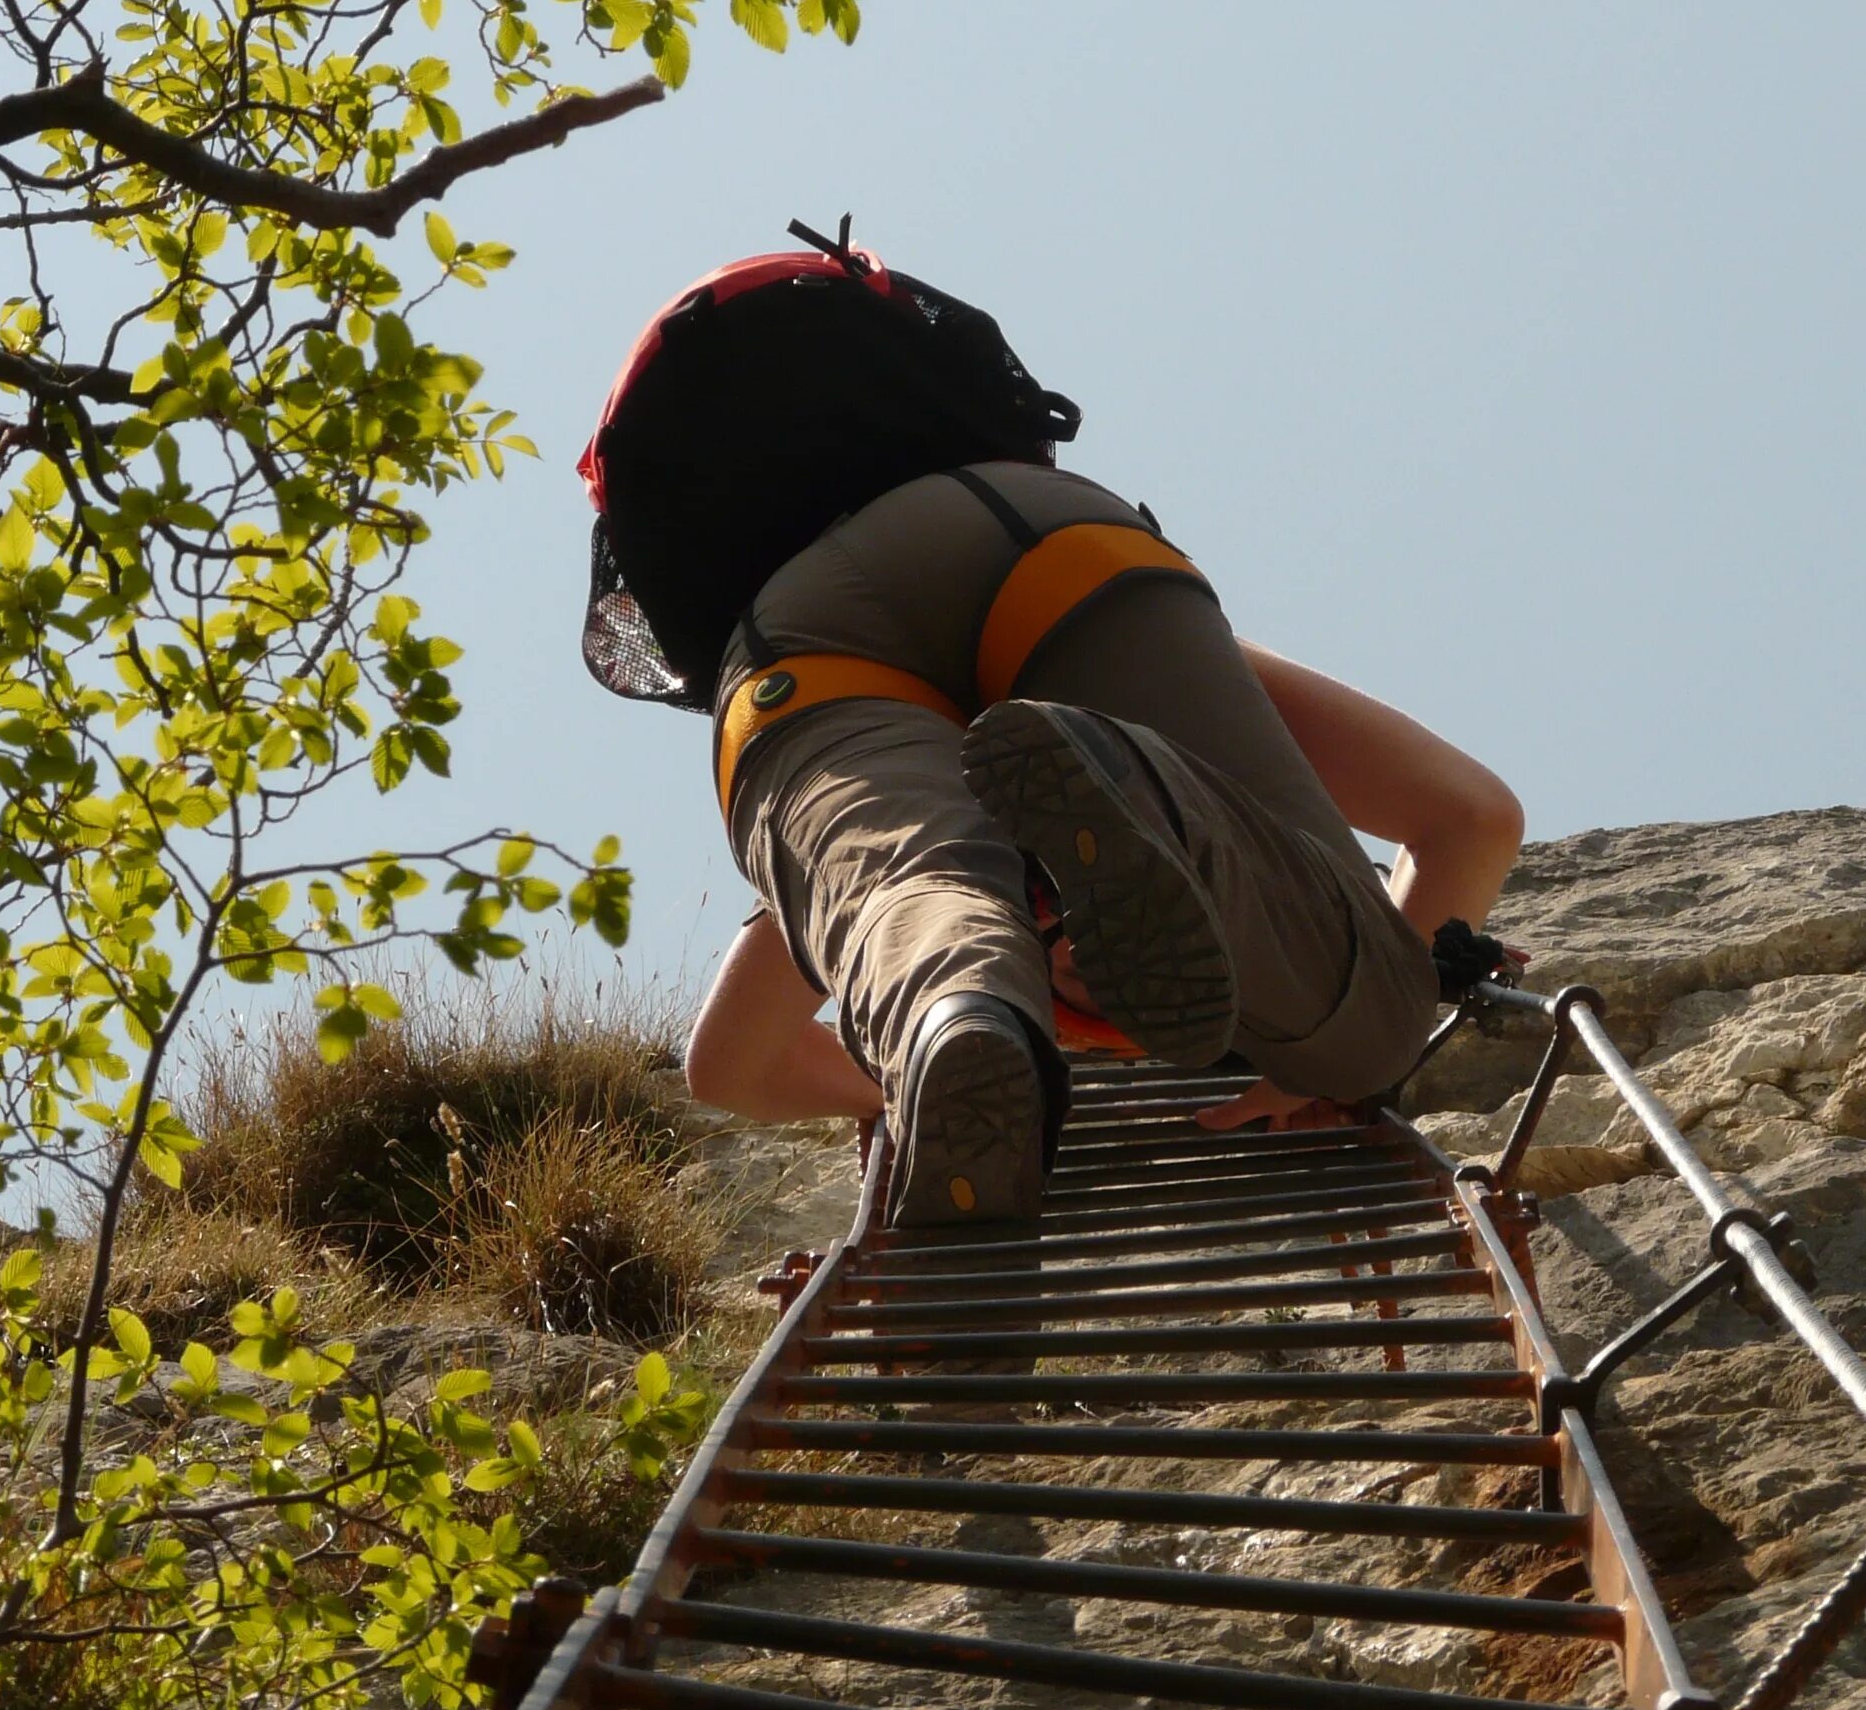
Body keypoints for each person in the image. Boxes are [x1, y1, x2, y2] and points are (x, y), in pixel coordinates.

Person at [581, 230, 1523, 1229]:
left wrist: (911, 1083)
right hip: (1024, 526)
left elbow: (731, 1065)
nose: (1081, 958)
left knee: (916, 898)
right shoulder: (1172, 703)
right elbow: (1469, 814)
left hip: (798, 624)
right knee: (1369, 1033)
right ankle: (1137, 801)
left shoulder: (877, 883)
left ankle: (958, 1015)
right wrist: (1347, 1044)